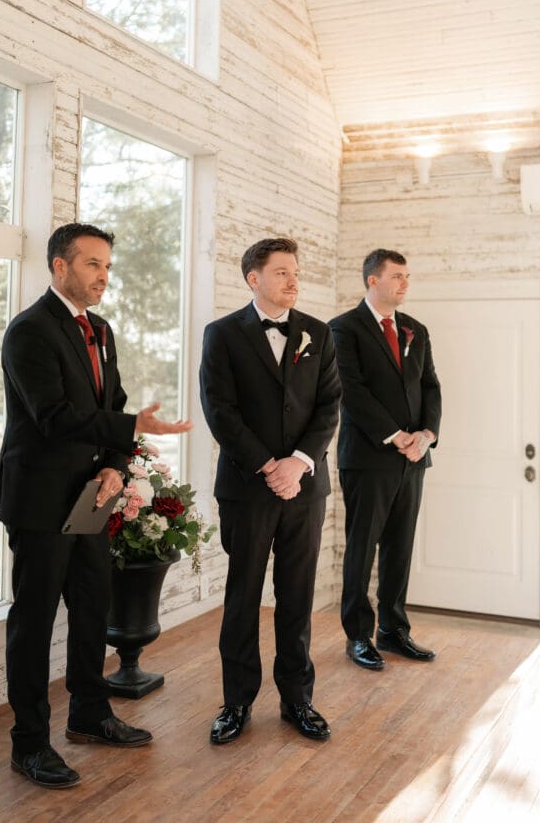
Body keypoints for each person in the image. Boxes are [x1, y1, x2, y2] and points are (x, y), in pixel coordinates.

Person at [0, 223, 193, 789]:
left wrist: (114, 462)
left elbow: (113, 403)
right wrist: (132, 427)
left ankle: (89, 714)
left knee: (91, 606)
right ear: (60, 266)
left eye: (107, 266)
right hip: (38, 501)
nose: (104, 276)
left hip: (92, 496)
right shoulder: (29, 331)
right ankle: (29, 744)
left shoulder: (100, 330)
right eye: (92, 265)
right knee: (32, 624)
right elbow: (52, 416)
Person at [199, 237, 341, 745]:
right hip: (246, 488)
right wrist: (267, 466)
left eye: (295, 271)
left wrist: (298, 464)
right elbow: (220, 412)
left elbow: (329, 409)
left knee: (297, 596)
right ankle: (236, 702)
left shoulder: (318, 335)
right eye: (281, 272)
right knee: (243, 597)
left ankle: (297, 700)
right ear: (253, 278)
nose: (293, 280)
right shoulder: (221, 335)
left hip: (305, 487)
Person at [329, 249, 441, 671]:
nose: (404, 283)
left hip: (414, 459)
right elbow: (351, 389)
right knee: (362, 548)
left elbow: (430, 386)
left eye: (407, 276)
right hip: (368, 458)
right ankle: (358, 635)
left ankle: (393, 630)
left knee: (400, 546)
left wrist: (426, 436)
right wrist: (396, 436)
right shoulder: (343, 329)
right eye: (397, 275)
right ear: (372, 281)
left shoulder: (416, 330)